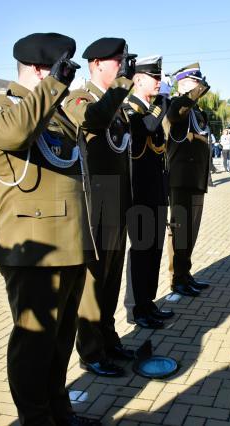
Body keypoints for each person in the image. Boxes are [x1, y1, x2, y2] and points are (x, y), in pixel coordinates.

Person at [0, 32, 99, 425]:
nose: (63, 77)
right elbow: (15, 133)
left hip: (70, 241)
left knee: (61, 341)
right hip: (33, 248)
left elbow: (95, 121)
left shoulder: (56, 110)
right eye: (57, 68)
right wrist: (53, 85)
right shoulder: (0, 107)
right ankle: (36, 419)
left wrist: (118, 86)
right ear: (37, 69)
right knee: (33, 343)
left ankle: (59, 412)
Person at [63, 37, 137, 377]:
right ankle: (90, 351)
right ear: (96, 64)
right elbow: (93, 121)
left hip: (118, 200)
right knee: (93, 282)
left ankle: (108, 338)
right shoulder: (81, 98)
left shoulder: (116, 103)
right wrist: (123, 85)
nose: (122, 68)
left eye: (123, 62)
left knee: (111, 278)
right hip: (96, 201)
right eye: (116, 63)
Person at [121, 55, 174, 329]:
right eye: (155, 78)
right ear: (138, 79)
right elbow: (147, 128)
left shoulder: (151, 108)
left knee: (154, 250)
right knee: (141, 250)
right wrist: (164, 99)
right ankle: (135, 308)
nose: (159, 82)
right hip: (138, 192)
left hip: (155, 191)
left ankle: (148, 302)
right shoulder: (130, 108)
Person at [165, 62, 212, 297]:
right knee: (180, 231)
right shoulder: (176, 106)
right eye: (196, 82)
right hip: (180, 180)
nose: (200, 87)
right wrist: (190, 94)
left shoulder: (198, 112)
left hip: (196, 179)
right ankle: (177, 279)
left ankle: (186, 273)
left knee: (191, 231)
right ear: (183, 84)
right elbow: (175, 114)